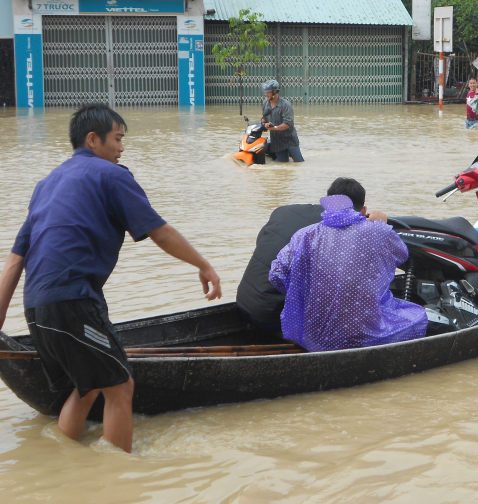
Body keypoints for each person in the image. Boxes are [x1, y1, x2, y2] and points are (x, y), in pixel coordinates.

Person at [0, 103, 222, 453]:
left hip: (36, 307)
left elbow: (15, 261)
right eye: (117, 139)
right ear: (93, 139)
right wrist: (203, 265)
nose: (122, 148)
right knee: (120, 386)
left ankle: (64, 462)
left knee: (86, 388)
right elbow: (159, 231)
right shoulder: (112, 175)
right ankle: (117, 477)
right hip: (73, 300)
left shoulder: (46, 184)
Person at [269, 178, 427, 352]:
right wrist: (382, 224)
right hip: (365, 335)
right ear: (363, 210)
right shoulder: (377, 231)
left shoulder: (304, 234)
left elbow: (276, 273)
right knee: (419, 315)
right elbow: (402, 255)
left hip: (313, 337)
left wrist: (304, 299)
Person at [236, 203, 324, 330]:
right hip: (273, 316)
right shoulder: (332, 231)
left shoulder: (284, 211)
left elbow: (261, 241)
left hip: (244, 302)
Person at [261, 80, 303, 162]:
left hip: (290, 140)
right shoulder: (265, 103)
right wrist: (265, 124)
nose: (266, 94)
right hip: (277, 142)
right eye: (265, 91)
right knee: (283, 166)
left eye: (268, 92)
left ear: (275, 91)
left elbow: (288, 124)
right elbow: (264, 119)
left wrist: (274, 127)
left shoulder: (285, 105)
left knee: (299, 163)